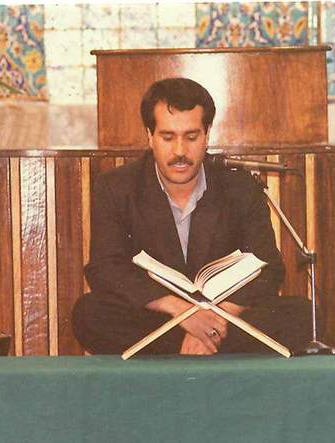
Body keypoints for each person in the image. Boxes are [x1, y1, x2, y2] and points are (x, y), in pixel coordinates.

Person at [73, 77, 313, 355]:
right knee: (88, 313)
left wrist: (214, 321)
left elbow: (268, 267)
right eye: (167, 137)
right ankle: (195, 347)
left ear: (207, 134)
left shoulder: (240, 186)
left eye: (191, 137)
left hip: (226, 318)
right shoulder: (116, 187)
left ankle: (185, 349)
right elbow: (105, 268)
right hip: (159, 317)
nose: (180, 151)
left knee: (302, 315)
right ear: (150, 136)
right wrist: (182, 313)